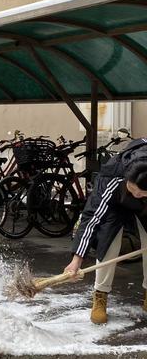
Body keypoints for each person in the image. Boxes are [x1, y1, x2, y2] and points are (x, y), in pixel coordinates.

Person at [64, 138, 147, 324]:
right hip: (116, 203)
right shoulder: (113, 175)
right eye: (134, 191)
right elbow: (92, 218)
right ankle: (100, 295)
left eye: (141, 193)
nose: (137, 196)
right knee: (108, 241)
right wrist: (76, 260)